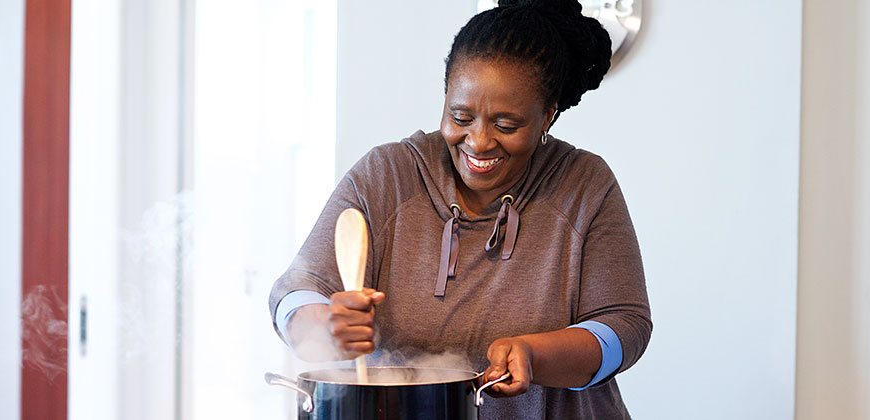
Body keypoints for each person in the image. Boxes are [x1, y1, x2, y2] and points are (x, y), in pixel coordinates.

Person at [268, 0, 651, 418]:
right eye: (460, 116)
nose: (479, 141)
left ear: (547, 116)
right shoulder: (387, 175)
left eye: (506, 125)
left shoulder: (584, 185)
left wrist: (535, 354)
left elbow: (624, 327)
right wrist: (324, 326)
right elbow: (293, 293)